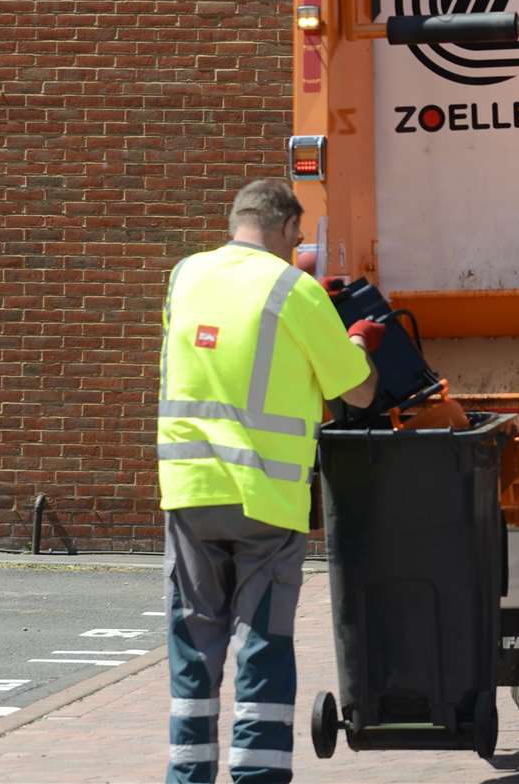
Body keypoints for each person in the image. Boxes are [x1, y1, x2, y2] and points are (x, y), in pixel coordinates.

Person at [157, 180, 381, 784]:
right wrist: (357, 341)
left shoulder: (185, 276)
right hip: (264, 500)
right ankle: (257, 778)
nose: (298, 247)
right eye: (298, 237)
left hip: (189, 492)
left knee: (193, 646)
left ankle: (188, 777)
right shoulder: (293, 288)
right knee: (262, 643)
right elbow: (357, 389)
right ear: (283, 228)